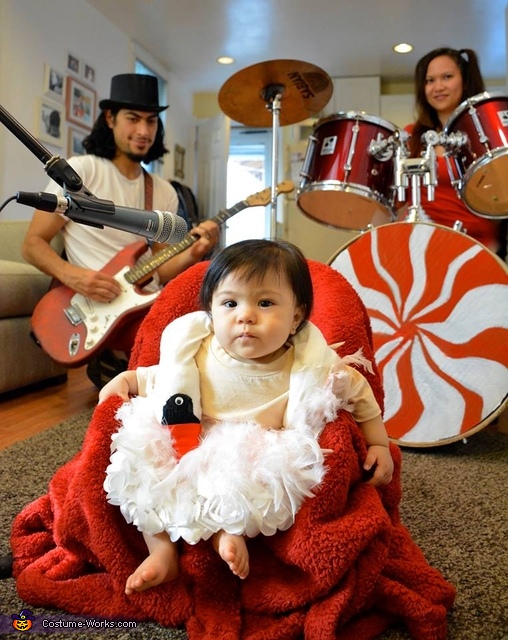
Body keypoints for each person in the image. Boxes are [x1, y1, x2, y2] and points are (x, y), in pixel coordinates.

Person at [98, 238, 394, 595]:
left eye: (265, 303)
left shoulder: (309, 366)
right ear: (212, 311)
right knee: (144, 467)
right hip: (188, 436)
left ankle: (227, 533)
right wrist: (126, 379)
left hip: (254, 449)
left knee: (262, 482)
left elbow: (359, 393)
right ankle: (161, 550)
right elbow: (159, 379)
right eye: (230, 303)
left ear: (296, 316)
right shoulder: (200, 351)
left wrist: (378, 442)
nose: (245, 315)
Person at [22, 73, 219, 385]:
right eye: (133, 119)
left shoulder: (163, 190)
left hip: (144, 299)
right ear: (110, 118)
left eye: (152, 121)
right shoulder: (82, 171)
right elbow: (33, 243)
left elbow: (162, 270)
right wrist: (74, 276)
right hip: (98, 304)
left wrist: (195, 250)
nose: (143, 131)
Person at [398, 47, 505, 258]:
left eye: (447, 77)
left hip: (477, 249)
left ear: (465, 81)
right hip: (419, 249)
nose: (438, 87)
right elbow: (398, 202)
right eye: (429, 80)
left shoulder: (486, 135)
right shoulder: (410, 136)